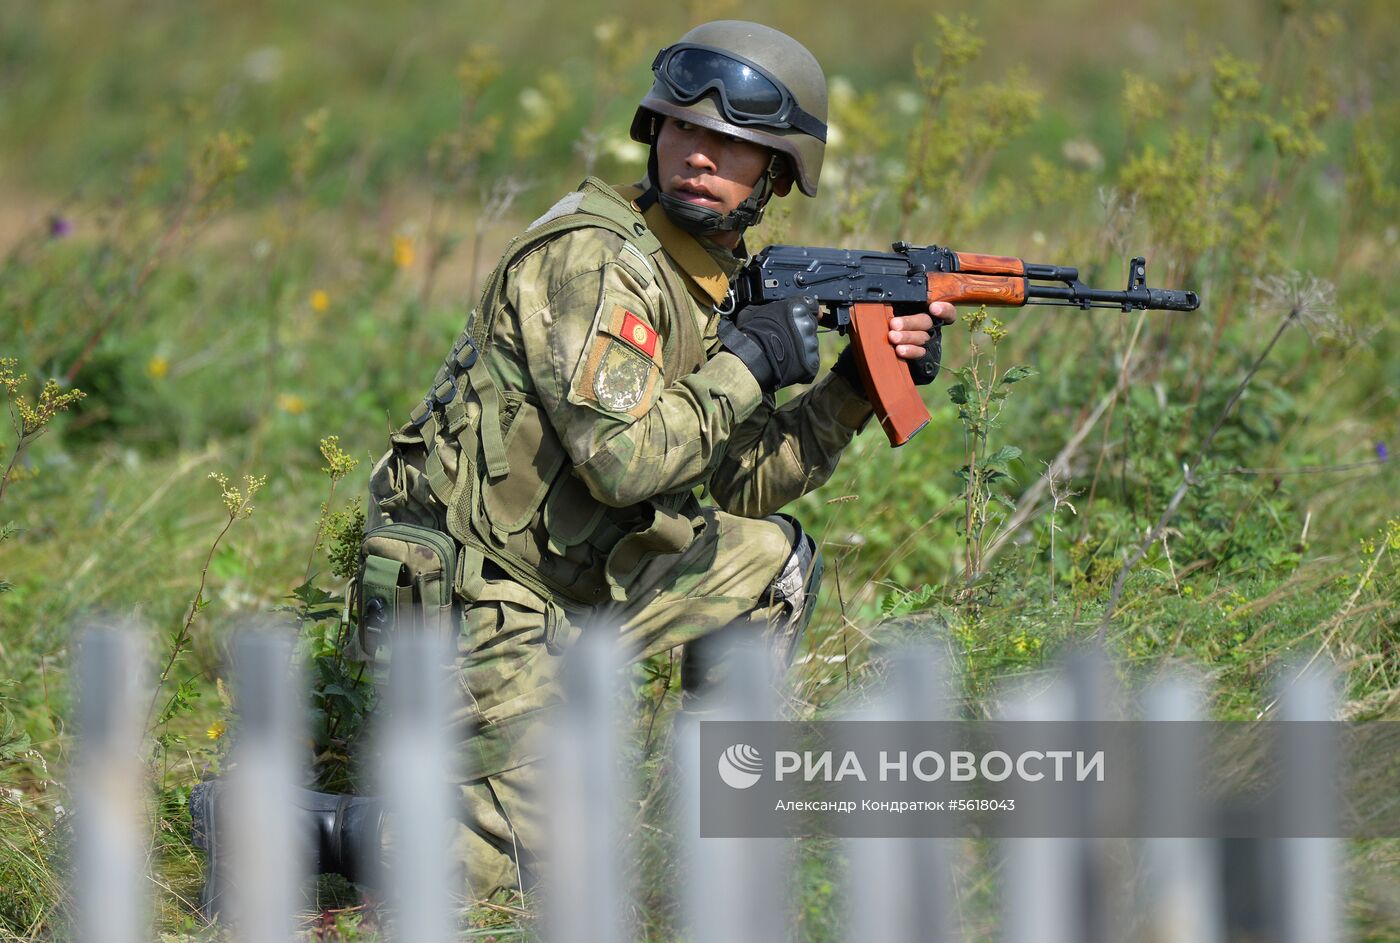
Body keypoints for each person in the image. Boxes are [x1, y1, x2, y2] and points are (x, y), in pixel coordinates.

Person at [192, 19, 954, 912]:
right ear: (653, 133)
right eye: (683, 131)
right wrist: (746, 363)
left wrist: (855, 387)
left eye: (732, 144)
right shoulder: (595, 260)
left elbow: (740, 476)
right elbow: (626, 464)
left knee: (767, 562)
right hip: (476, 597)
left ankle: (710, 828)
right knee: (533, 871)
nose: (698, 156)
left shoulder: (705, 275)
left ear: (778, 173)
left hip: (574, 573)